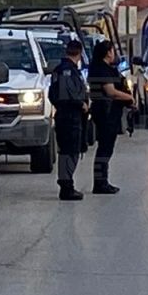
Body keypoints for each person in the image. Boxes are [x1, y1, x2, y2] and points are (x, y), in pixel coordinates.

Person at [87, 40, 135, 194]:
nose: (114, 54)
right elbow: (111, 92)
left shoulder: (102, 68)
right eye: (113, 51)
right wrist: (129, 98)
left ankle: (102, 181)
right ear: (108, 52)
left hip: (107, 112)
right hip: (106, 112)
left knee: (106, 148)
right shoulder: (102, 70)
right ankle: (100, 183)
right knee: (105, 148)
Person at [48, 39, 89, 201]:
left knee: (68, 150)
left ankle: (67, 183)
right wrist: (81, 104)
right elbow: (67, 94)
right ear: (79, 53)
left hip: (64, 114)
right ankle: (66, 186)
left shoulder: (58, 69)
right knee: (70, 151)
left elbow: (53, 94)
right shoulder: (68, 71)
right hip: (71, 115)